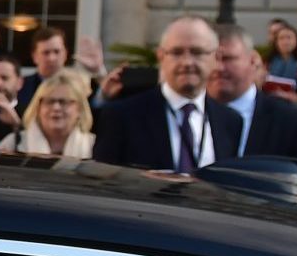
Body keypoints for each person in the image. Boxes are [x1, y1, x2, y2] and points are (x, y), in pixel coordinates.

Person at [92, 16, 241, 174]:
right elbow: (103, 184)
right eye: (177, 53)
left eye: (197, 52)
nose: (187, 62)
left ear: (217, 57)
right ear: (161, 57)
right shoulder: (122, 116)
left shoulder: (230, 121)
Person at [209, 25, 297, 180]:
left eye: (228, 58)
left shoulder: (293, 122)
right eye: (210, 58)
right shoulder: (178, 115)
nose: (218, 67)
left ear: (253, 60)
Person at [0, 73, 94, 157]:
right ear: (38, 108)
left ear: (80, 109)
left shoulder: (94, 145)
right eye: (49, 101)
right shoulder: (13, 143)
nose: (56, 107)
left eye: (64, 102)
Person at [16, 26, 71, 112]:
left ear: (65, 54)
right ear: (34, 56)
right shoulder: (21, 87)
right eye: (46, 53)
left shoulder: (78, 86)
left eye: (57, 51)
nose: (51, 58)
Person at [264, 21, 297, 109]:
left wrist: (290, 97)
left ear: (296, 41)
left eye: (289, 38)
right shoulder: (266, 63)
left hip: (296, 110)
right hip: (269, 108)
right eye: (281, 38)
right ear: (276, 42)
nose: (285, 41)